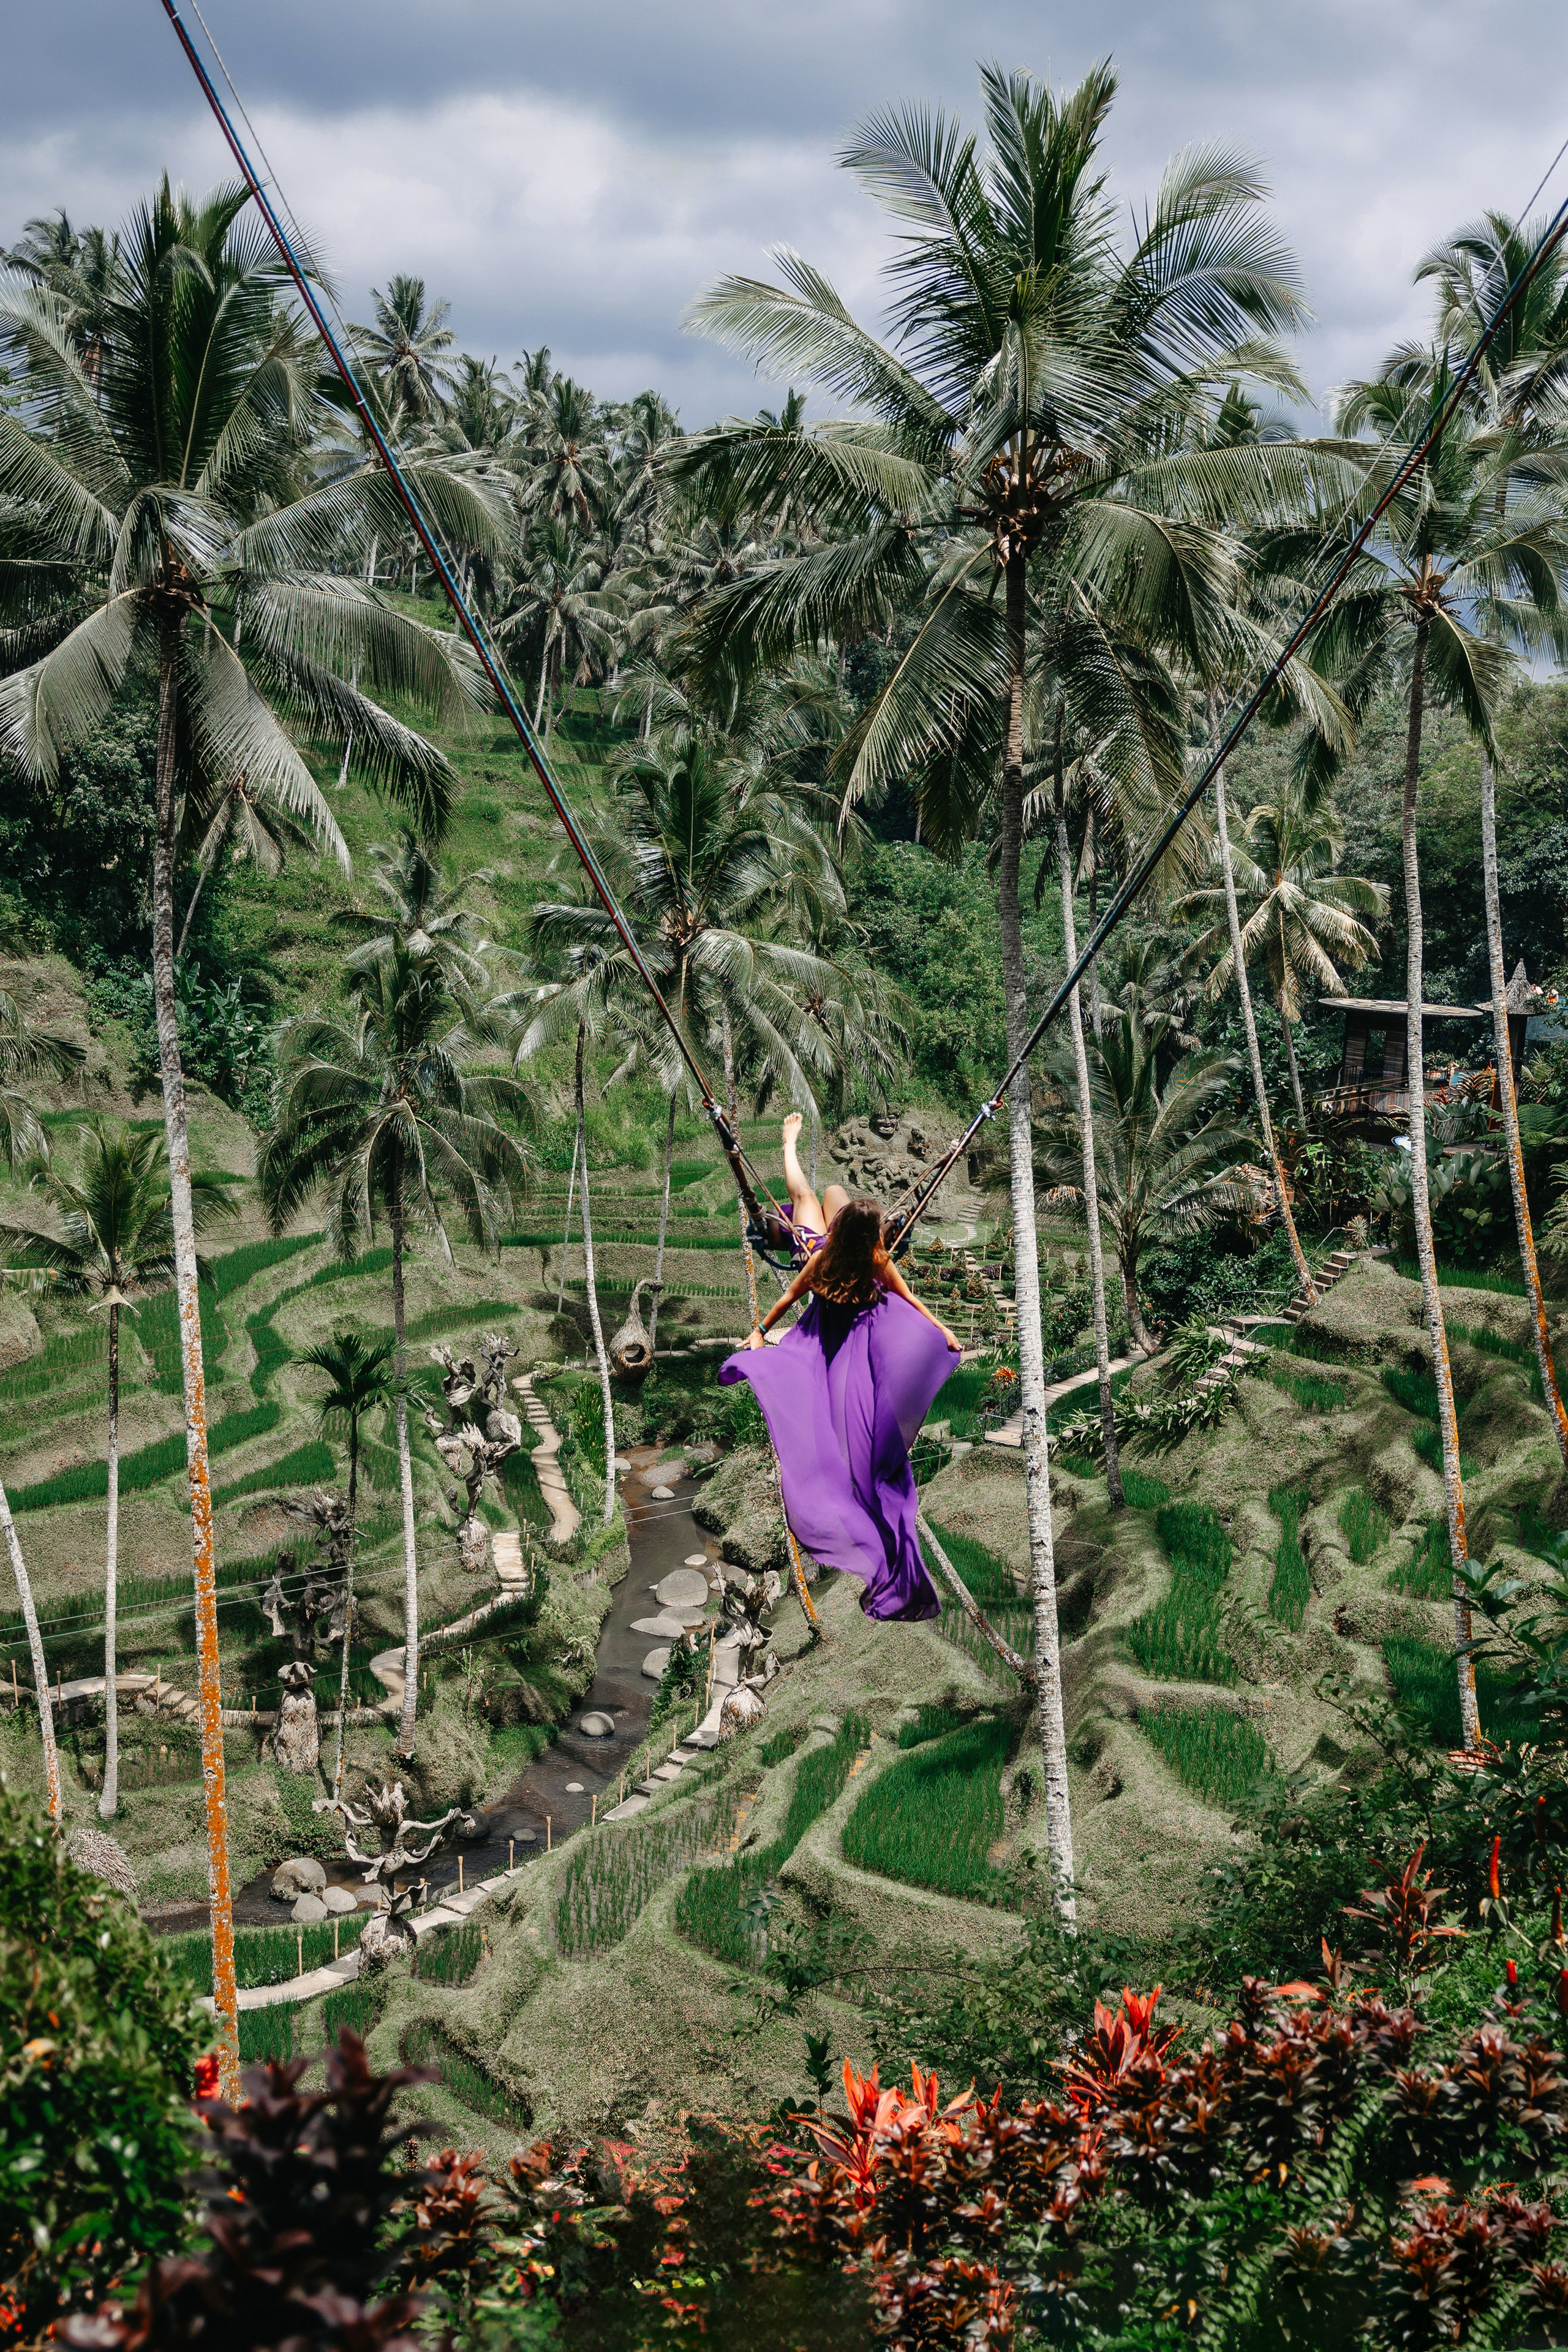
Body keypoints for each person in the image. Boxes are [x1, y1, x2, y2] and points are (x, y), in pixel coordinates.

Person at [719, 1115, 962, 1622]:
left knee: (811, 1192)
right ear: (868, 1237)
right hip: (841, 1326)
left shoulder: (833, 1257)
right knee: (824, 1189)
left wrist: (762, 1331)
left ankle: (789, 1143)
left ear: (839, 1233)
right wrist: (942, 1330)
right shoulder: (865, 1259)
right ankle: (791, 1145)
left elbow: (790, 1297)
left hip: (826, 1310)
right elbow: (906, 1298)